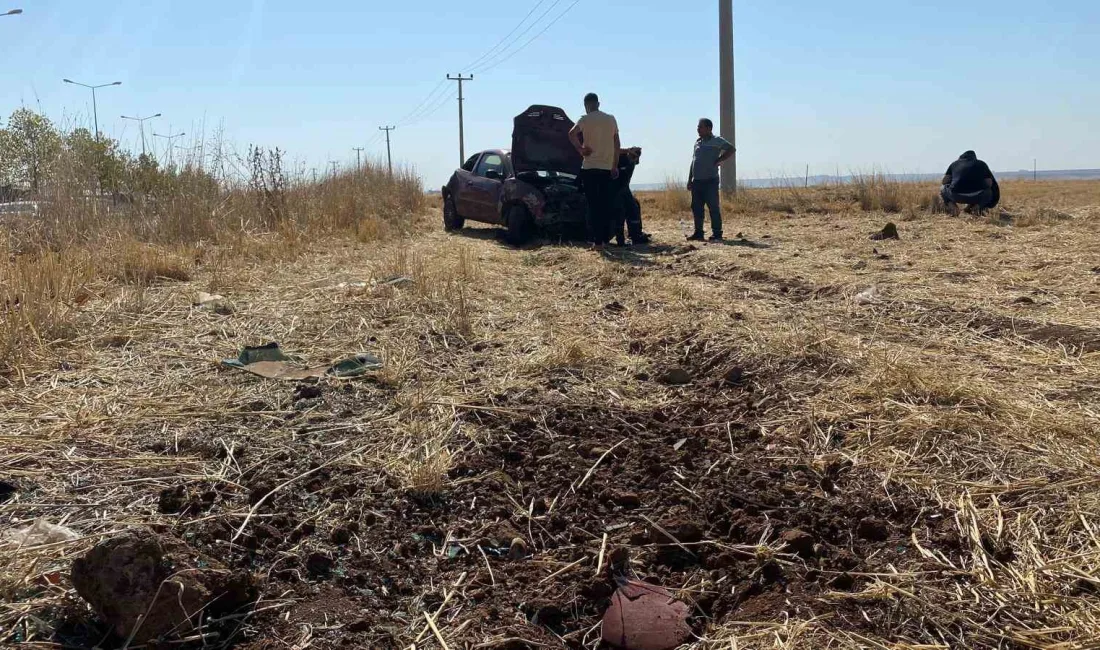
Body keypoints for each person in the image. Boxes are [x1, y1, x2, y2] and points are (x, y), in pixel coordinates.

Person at [569, 93, 620, 248]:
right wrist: (614, 165)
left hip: (590, 168)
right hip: (606, 168)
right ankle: (604, 240)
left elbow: (571, 134)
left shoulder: (584, 119)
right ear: (598, 104)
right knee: (605, 206)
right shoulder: (611, 119)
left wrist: (580, 149)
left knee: (593, 206)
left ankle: (597, 242)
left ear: (586, 105)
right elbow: (616, 144)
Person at [687, 118, 734, 242]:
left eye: (700, 127)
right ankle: (698, 233)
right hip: (697, 181)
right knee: (696, 208)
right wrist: (689, 179)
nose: (698, 129)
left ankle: (717, 233)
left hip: (710, 181)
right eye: (698, 127)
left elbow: (731, 149)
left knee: (713, 207)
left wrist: (720, 160)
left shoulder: (717, 141)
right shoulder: (697, 142)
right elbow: (693, 161)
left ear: (709, 128)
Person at [613, 147, 651, 246]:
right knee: (620, 211)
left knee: (634, 207)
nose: (634, 158)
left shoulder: (633, 161)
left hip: (624, 187)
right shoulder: (620, 159)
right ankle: (620, 240)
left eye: (636, 156)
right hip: (616, 189)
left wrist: (634, 158)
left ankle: (636, 235)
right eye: (633, 155)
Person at [941, 150, 999, 215]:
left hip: (956, 195)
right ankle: (977, 207)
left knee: (943, 188)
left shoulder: (954, 164)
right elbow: (989, 183)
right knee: (988, 191)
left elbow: (944, 181)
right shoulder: (981, 164)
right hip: (977, 196)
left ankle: (953, 208)